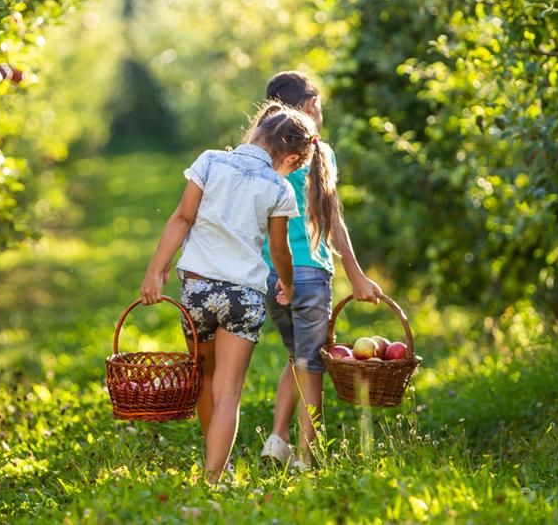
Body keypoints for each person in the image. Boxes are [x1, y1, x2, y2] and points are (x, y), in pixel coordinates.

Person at [140, 101, 338, 483]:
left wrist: (156, 271)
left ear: (258, 134)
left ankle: (218, 462)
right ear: (293, 157)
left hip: (197, 290)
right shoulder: (278, 187)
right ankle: (213, 477)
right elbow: (280, 250)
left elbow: (182, 218)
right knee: (229, 391)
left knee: (203, 377)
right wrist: (288, 282)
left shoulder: (211, 161)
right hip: (243, 297)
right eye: (295, 166)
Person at [259, 71, 382, 469]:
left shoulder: (263, 152)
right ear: (311, 107)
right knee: (312, 366)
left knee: (297, 356)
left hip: (269, 274)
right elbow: (333, 222)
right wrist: (356, 274)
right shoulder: (318, 151)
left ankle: (277, 441)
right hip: (310, 273)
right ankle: (307, 457)